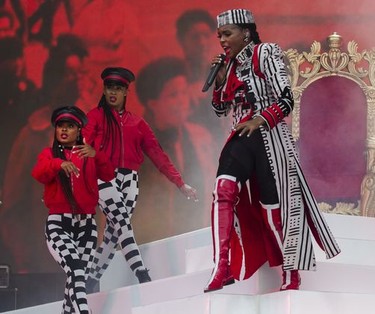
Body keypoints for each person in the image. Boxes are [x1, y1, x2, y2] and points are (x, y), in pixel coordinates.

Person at [203, 9, 341, 293]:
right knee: (223, 190)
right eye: (219, 36)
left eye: (227, 34)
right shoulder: (227, 65)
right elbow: (220, 109)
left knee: (271, 211)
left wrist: (260, 119)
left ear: (246, 32)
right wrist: (218, 81)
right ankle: (221, 266)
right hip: (240, 137)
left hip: (269, 138)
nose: (222, 41)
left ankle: (290, 272)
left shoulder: (266, 53)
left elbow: (287, 99)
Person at [82, 67, 197, 292]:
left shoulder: (138, 124)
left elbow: (158, 155)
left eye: (118, 88)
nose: (113, 93)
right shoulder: (94, 118)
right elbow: (82, 148)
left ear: (126, 92)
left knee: (113, 235)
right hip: (104, 177)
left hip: (131, 181)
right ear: (104, 90)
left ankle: (89, 281)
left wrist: (180, 183)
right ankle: (142, 274)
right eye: (109, 88)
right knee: (123, 223)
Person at [31, 106, 115, 314]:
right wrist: (59, 164)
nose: (64, 130)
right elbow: (38, 173)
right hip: (59, 225)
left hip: (87, 225)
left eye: (70, 126)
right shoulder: (48, 154)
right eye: (61, 126)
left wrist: (97, 155)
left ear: (79, 130)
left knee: (78, 276)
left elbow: (108, 175)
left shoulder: (88, 153)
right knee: (76, 269)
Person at [135, 56, 216, 241]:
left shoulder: (201, 137)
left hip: (200, 235)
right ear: (152, 103)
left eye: (184, 92)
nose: (182, 101)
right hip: (154, 244)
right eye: (173, 95)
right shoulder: (136, 147)